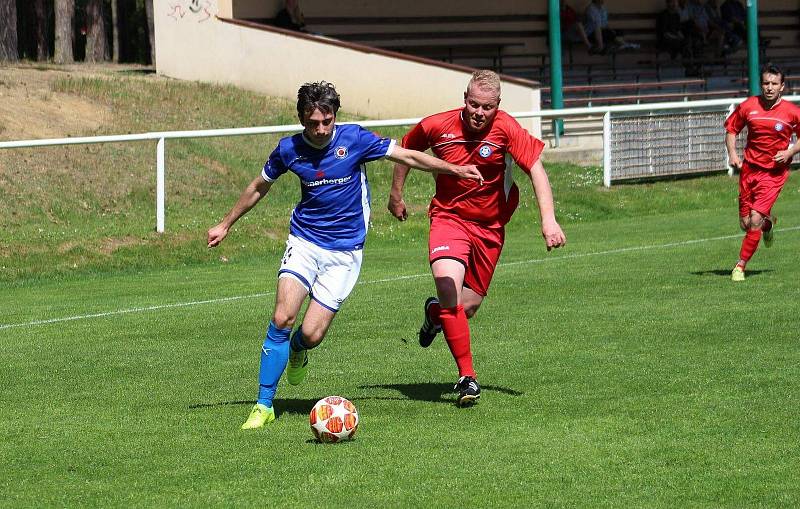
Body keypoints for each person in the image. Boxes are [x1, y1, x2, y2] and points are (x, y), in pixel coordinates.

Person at [208, 81, 482, 429]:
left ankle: (298, 350)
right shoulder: (288, 150)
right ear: (302, 120)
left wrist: (454, 169)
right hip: (304, 241)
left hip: (345, 253)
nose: (321, 130)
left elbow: (408, 155)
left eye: (327, 121)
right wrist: (226, 223)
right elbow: (260, 185)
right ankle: (263, 405)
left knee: (311, 334)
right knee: (281, 318)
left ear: (335, 116)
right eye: (313, 123)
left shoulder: (354, 139)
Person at [387, 70, 566, 406]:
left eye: (487, 107)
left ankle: (434, 314)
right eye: (473, 104)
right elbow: (405, 150)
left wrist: (548, 220)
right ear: (464, 99)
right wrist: (396, 195)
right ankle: (467, 378)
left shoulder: (507, 128)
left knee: (465, 308)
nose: (479, 113)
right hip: (449, 218)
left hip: (490, 228)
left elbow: (536, 170)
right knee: (447, 283)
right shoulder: (438, 125)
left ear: (497, 106)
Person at [724, 64, 800, 282]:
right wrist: (733, 154)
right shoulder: (748, 106)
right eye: (766, 83)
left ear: (782, 86)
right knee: (745, 225)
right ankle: (769, 224)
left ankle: (740, 266)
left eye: (774, 83)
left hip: (774, 174)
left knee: (754, 220)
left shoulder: (792, 112)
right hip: (749, 170)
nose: (769, 87)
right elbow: (731, 130)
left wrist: (791, 151)